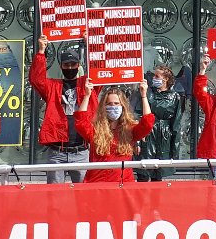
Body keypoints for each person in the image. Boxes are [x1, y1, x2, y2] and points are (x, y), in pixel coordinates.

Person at [30, 37, 90, 184]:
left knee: (85, 197)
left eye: (73, 64)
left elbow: (99, 70)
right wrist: (41, 51)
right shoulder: (53, 86)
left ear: (79, 64)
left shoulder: (87, 84)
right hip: (57, 153)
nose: (70, 67)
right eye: (66, 64)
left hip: (81, 152)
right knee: (55, 198)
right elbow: (36, 79)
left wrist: (90, 45)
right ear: (61, 66)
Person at [75, 81, 155, 183]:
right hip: (97, 184)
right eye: (109, 104)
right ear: (103, 107)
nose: (113, 107)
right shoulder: (96, 130)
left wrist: (144, 96)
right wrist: (87, 96)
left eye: (117, 104)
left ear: (123, 106)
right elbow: (80, 123)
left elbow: (147, 124)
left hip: (123, 184)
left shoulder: (129, 129)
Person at [135, 65, 185, 182]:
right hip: (146, 133)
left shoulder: (175, 96)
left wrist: (174, 149)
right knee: (143, 171)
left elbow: (176, 123)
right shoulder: (147, 93)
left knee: (158, 173)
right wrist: (136, 139)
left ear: (166, 79)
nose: (154, 78)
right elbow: (137, 114)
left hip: (163, 136)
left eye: (157, 76)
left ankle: (155, 199)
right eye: (154, 75)